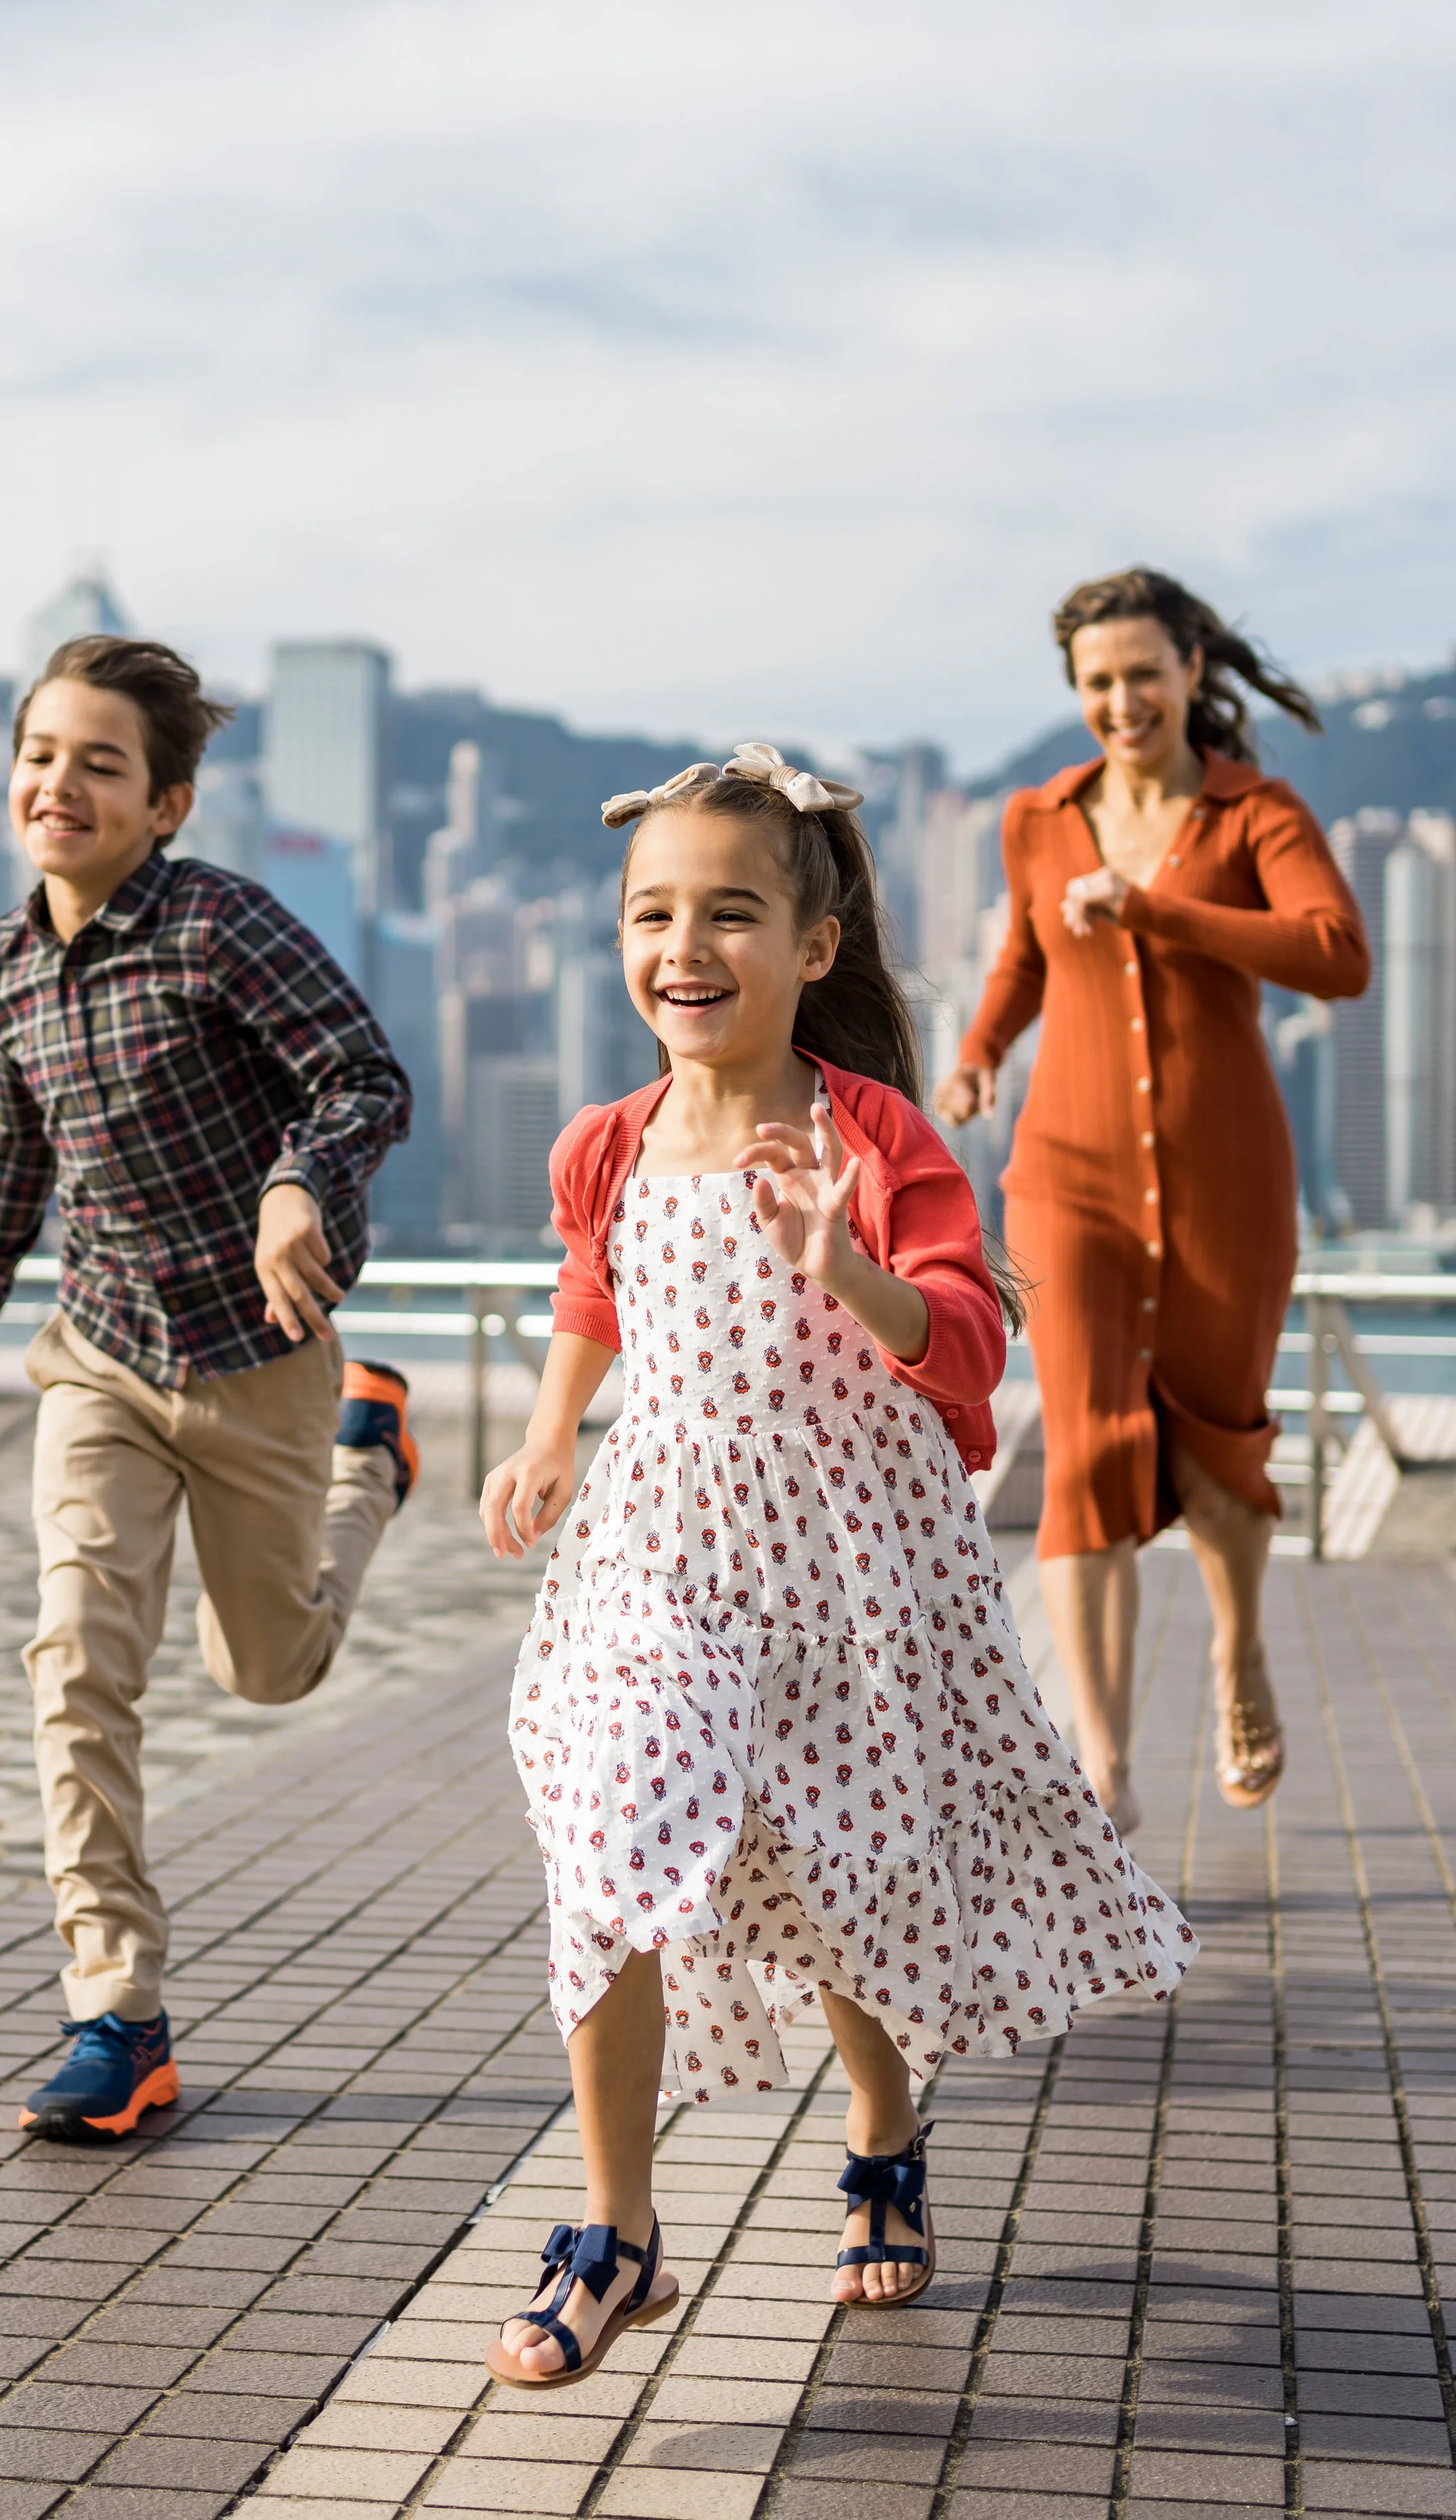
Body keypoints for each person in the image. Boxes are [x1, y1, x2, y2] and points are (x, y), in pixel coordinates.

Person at [475, 744, 1193, 2389]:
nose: (684, 946)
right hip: (658, 1548)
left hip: (849, 1573)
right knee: (608, 1834)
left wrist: (844, 1264)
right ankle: (615, 2230)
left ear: (812, 948)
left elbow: (960, 1345)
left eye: (730, 912)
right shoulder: (607, 1139)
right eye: (651, 913)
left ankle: (879, 2133)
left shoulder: (867, 1136)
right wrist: (543, 1434)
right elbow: (597, 1291)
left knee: (833, 1886)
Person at [0, 636, 417, 2141]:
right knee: (76, 1664)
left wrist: (299, 1187)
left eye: (102, 763)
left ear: (165, 804)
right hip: (97, 1355)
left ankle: (372, 1468)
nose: (62, 783)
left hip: (262, 1359)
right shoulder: (0, 970)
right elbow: (12, 1164)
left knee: (268, 1670)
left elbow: (363, 1076)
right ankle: (118, 2015)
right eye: (42, 754)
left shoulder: (223, 925)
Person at [937, 569, 1370, 1833]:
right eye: (1096, 682)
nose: (1120, 701)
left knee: (1220, 1448)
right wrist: (978, 1053)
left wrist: (1158, 909)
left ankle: (1239, 1657)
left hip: (1226, 1174)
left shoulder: (1256, 812)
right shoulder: (1038, 817)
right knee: (1084, 1453)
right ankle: (1107, 1776)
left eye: (1141, 674)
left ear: (1191, 671)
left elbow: (1337, 953)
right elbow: (1024, 950)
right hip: (1063, 1174)